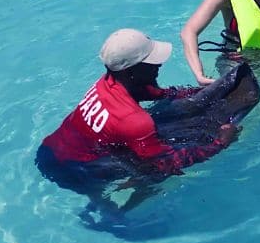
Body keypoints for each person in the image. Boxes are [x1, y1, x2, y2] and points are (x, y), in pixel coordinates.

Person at [36, 28, 240, 193]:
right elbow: (167, 163)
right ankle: (111, 213)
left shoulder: (107, 82)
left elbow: (152, 92)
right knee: (155, 174)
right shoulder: (134, 121)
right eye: (150, 62)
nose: (159, 64)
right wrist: (221, 142)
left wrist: (200, 91)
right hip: (73, 170)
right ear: (130, 71)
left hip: (51, 149)